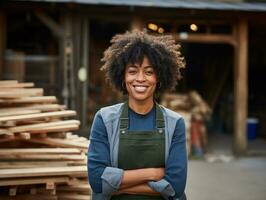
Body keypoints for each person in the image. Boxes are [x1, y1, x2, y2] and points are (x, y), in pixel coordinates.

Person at [88, 30, 187, 200]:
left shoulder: (174, 122)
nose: (140, 78)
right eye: (132, 71)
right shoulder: (105, 119)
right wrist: (153, 173)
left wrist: (116, 187)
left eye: (149, 72)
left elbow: (176, 186)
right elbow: (97, 181)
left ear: (159, 77)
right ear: (122, 76)